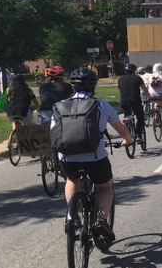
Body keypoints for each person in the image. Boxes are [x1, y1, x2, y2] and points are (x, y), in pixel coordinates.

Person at [57, 67, 134, 244]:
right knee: (105, 187)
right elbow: (121, 130)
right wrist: (128, 140)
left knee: (72, 180)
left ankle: (73, 214)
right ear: (94, 86)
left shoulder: (60, 106)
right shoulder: (101, 105)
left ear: (73, 87)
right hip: (95, 157)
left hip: (68, 157)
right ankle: (101, 220)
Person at [117, 63, 151, 141]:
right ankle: (138, 134)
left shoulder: (120, 79)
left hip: (124, 101)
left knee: (127, 115)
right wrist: (149, 98)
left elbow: (120, 92)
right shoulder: (137, 78)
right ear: (134, 71)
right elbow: (145, 89)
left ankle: (127, 132)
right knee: (140, 118)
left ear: (125, 71)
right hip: (135, 101)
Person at [6, 74, 41, 147]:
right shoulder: (28, 90)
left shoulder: (9, 90)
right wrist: (39, 109)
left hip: (11, 111)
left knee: (15, 124)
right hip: (23, 111)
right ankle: (29, 144)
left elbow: (8, 100)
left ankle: (10, 140)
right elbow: (35, 102)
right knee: (29, 126)